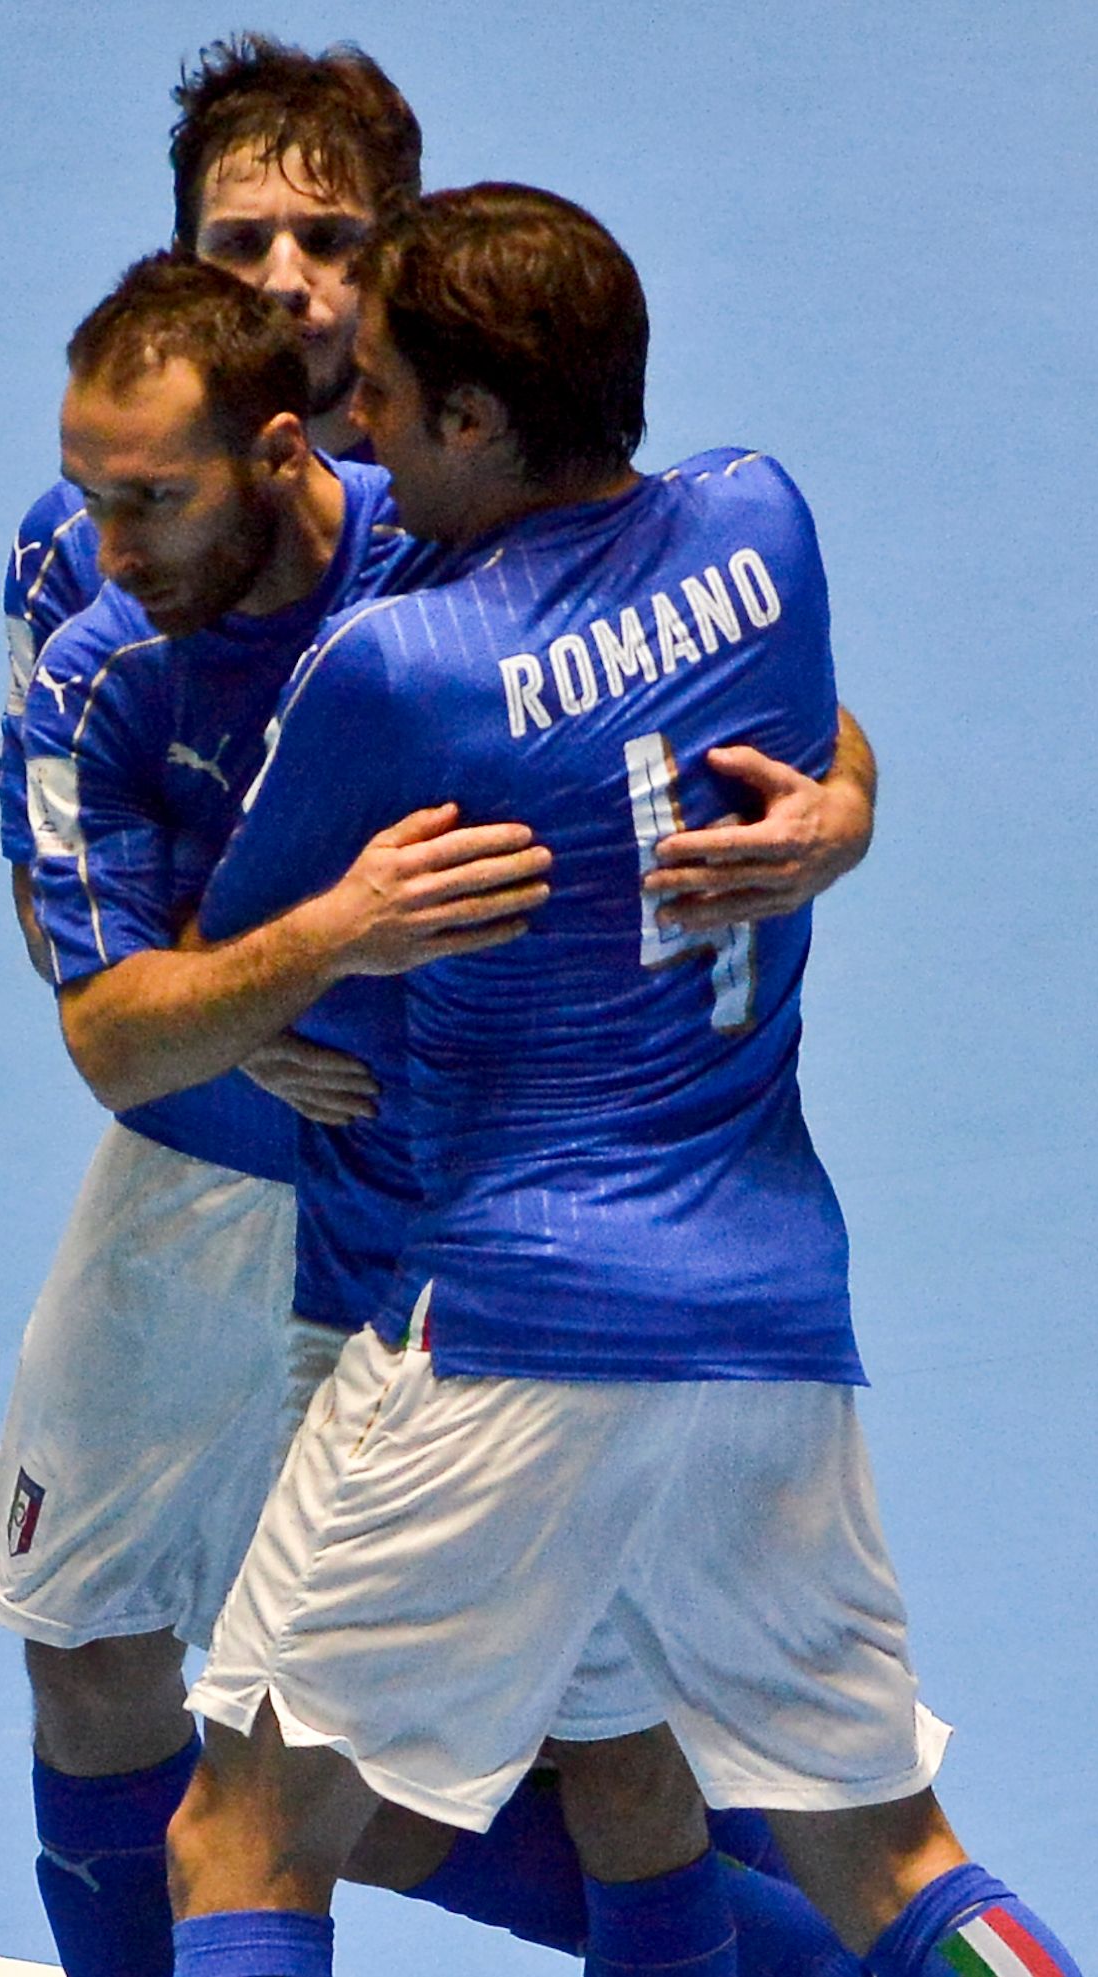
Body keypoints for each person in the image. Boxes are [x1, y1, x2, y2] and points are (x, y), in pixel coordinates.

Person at [0, 40, 875, 1977]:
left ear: (395, 261)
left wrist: (844, 799)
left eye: (330, 236)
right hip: (237, 1145)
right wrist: (284, 968)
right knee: (99, 1640)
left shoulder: (467, 477)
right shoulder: (106, 534)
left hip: (479, 1197)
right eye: (245, 237)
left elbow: (731, 673)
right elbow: (102, 974)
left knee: (524, 1741)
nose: (292, 275)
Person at [162, 184, 1077, 1977]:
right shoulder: (766, 522)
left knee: (245, 1831)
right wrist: (847, 810)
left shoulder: (400, 666)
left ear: (481, 422)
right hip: (768, 1318)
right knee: (893, 1855)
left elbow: (250, 963)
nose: (364, 424)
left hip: (511, 1315)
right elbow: (798, 733)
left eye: (398, 396)